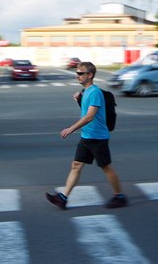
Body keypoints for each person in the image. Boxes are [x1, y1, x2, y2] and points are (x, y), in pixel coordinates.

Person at [46, 61, 127, 209]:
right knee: (76, 165)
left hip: (97, 138)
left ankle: (119, 196)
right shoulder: (86, 92)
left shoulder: (95, 92)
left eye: (80, 73)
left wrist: (71, 128)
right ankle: (63, 198)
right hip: (87, 136)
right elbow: (87, 113)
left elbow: (90, 116)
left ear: (90, 75)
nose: (77, 76)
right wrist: (79, 100)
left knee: (106, 167)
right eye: (77, 73)